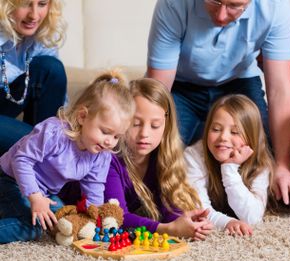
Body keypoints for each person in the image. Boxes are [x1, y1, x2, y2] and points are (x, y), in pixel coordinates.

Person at [147, 0, 290, 207]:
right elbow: (159, 90)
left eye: (234, 6)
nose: (220, 16)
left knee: (265, 159)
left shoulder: (275, 7)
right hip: (181, 85)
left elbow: (280, 90)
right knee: (158, 165)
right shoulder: (173, 4)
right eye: (214, 1)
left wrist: (282, 165)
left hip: (238, 82)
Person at [0, 71, 135, 243]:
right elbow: (21, 160)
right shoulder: (54, 133)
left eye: (117, 136)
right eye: (106, 132)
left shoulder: (101, 154)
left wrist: (95, 222)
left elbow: (94, 190)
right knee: (34, 227)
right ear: (82, 116)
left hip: (45, 193)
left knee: (66, 220)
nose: (110, 142)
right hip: (11, 180)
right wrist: (35, 198)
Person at [104, 78, 213, 240]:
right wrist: (168, 229)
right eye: (135, 123)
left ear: (166, 127)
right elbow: (117, 218)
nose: (144, 134)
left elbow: (169, 208)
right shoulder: (108, 159)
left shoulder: (162, 157)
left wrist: (185, 222)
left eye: (155, 126)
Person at [184, 95, 274, 236]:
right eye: (216, 129)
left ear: (251, 137)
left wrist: (229, 169)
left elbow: (253, 218)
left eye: (234, 132)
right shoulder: (193, 156)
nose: (223, 137)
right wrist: (227, 222)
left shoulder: (261, 163)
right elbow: (198, 209)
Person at [0, 0, 67, 156]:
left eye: (42, 4)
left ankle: (42, 153)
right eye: (25, 4)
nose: (34, 15)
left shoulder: (44, 36)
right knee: (49, 145)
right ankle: (47, 149)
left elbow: (57, 97)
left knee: (51, 68)